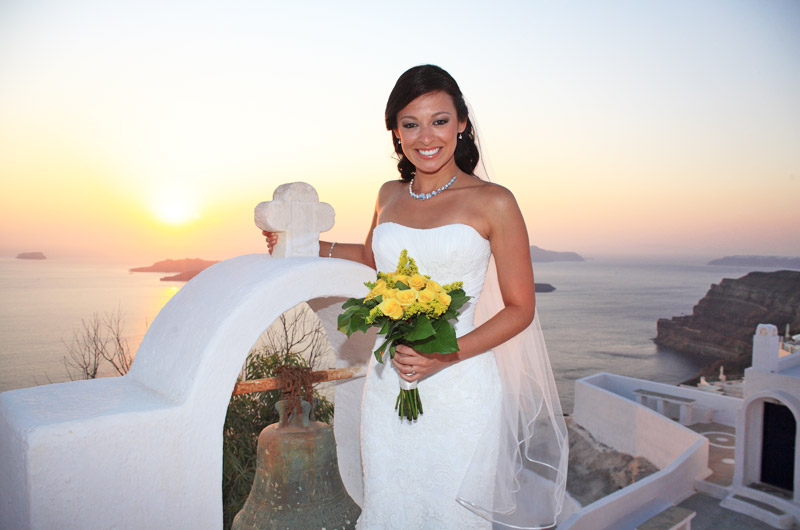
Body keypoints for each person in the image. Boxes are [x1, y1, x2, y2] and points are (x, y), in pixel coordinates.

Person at [262, 65, 567, 529]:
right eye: (411, 124)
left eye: (440, 120)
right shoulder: (388, 194)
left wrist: (443, 354)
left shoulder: (494, 202)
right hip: (388, 383)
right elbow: (372, 255)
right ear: (396, 132)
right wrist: (302, 245)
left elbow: (521, 308)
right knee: (391, 503)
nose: (427, 136)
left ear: (462, 124)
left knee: (452, 514)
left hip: (459, 383)